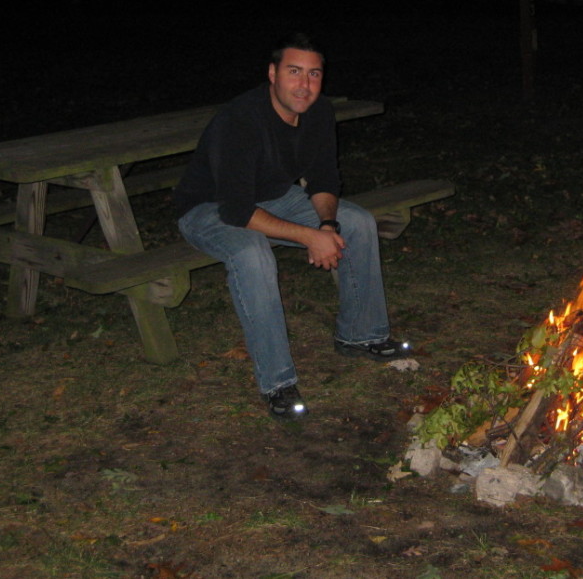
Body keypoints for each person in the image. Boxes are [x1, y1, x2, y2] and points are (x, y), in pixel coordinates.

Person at [173, 32, 409, 420]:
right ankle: (278, 383)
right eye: (294, 72)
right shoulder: (240, 120)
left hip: (274, 196)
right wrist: (309, 235)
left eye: (314, 74)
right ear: (272, 73)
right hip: (208, 208)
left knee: (358, 222)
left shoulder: (318, 112)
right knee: (252, 252)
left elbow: (323, 178)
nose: (304, 85)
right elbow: (235, 210)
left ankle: (361, 334)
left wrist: (328, 225)